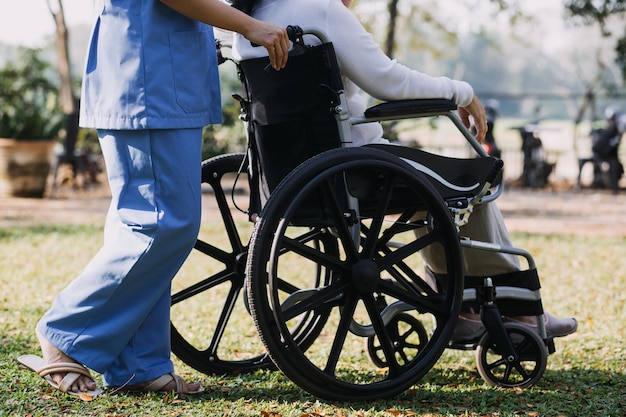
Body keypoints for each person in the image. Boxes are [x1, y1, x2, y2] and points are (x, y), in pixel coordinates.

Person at [230, 0, 577, 342]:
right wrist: (461, 92)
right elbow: (389, 82)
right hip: (356, 167)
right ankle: (519, 306)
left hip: (290, 175)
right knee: (469, 181)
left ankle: (460, 307)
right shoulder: (319, 10)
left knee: (434, 187)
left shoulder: (248, 20)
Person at [18, 0, 290, 399]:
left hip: (160, 73)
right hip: (148, 78)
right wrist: (250, 26)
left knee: (150, 226)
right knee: (159, 224)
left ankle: (140, 366)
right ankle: (66, 330)